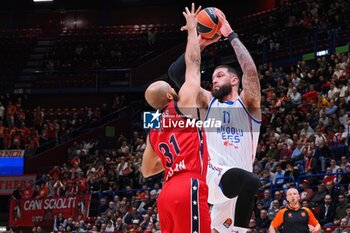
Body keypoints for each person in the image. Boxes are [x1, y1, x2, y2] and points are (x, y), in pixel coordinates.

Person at [168, 8, 260, 233]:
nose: (214, 80)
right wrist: (200, 43)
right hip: (215, 176)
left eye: (220, 76)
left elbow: (250, 70)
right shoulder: (208, 103)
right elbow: (176, 73)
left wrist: (231, 35)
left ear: (235, 80)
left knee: (222, 224)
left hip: (236, 187)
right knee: (252, 181)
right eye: (213, 78)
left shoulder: (248, 106)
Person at [141, 4, 211, 233]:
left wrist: (173, 159)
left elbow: (147, 170)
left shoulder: (153, 129)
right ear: (171, 94)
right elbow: (193, 64)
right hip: (187, 184)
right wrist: (193, 30)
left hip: (166, 192)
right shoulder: (182, 106)